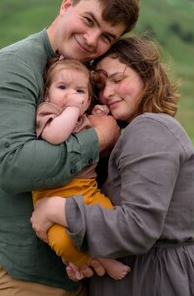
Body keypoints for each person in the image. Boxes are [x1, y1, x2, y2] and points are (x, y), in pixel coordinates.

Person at [0, 0, 140, 295]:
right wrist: (97, 137)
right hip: (17, 269)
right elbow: (12, 167)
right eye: (88, 20)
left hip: (77, 263)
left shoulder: (88, 73)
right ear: (67, 5)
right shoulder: (16, 63)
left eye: (106, 37)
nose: (91, 39)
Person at [31, 36, 194, 296]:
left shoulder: (150, 127)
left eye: (118, 80)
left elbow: (138, 226)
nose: (107, 93)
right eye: (100, 84)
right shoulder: (134, 132)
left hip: (154, 281)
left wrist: (57, 208)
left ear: (147, 76)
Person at [33, 56, 131, 281]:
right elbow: (56, 136)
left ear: (87, 100)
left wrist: (96, 115)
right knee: (62, 241)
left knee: (107, 216)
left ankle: (103, 254)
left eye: (79, 91)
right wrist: (72, 111)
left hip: (86, 189)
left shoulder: (83, 115)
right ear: (48, 94)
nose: (70, 95)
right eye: (62, 87)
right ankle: (95, 261)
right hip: (52, 194)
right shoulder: (47, 112)